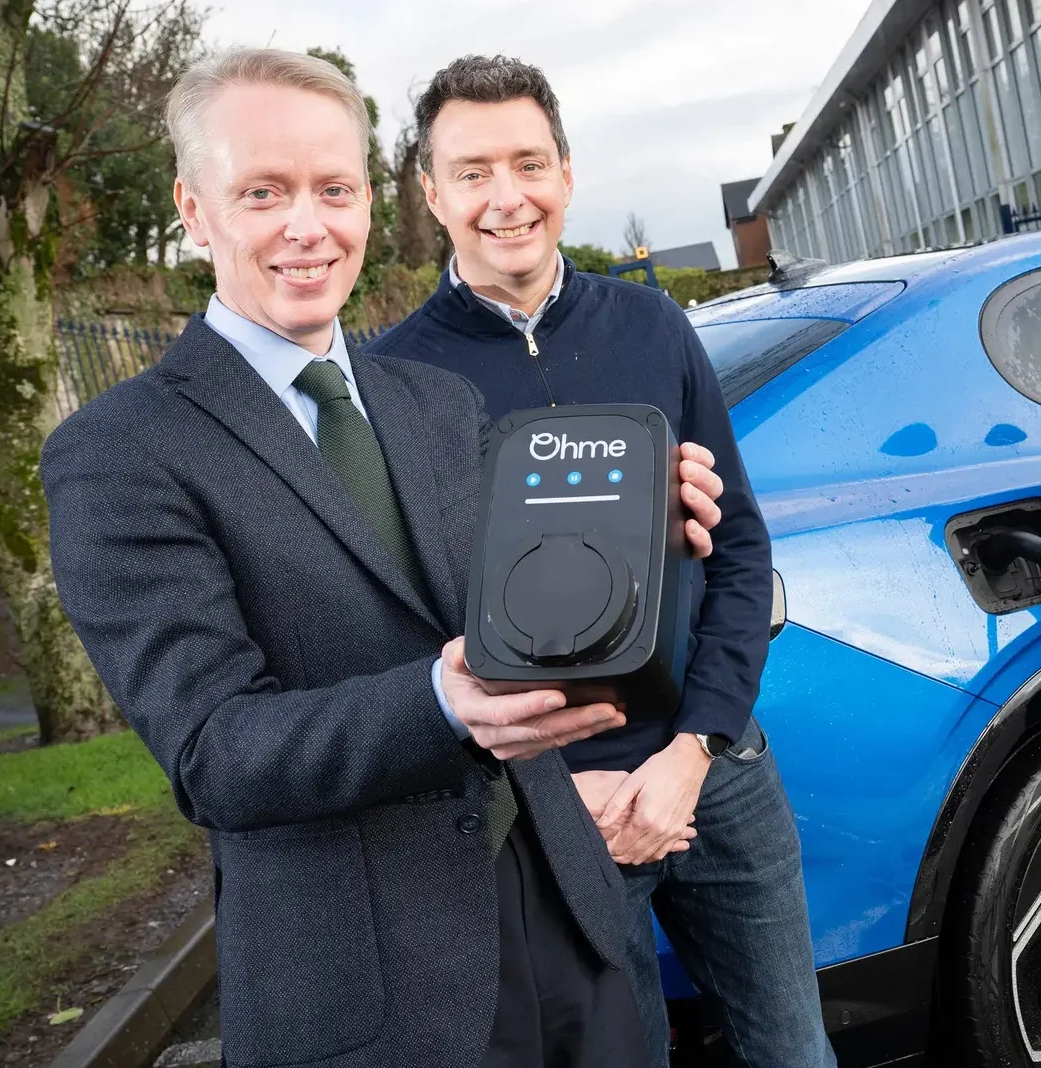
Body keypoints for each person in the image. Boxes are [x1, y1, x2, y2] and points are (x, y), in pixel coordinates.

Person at [39, 48, 726, 1068]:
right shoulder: (119, 452)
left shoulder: (431, 401)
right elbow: (214, 753)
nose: (307, 226)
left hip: (569, 923)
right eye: (262, 192)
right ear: (194, 209)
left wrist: (640, 539)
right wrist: (440, 705)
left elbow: (505, 611)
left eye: (334, 188)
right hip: (377, 991)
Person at [366, 55, 832, 1068]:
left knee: (792, 1051)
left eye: (528, 163)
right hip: (551, 809)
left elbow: (740, 551)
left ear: (566, 176)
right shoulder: (391, 379)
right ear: (431, 193)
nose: (507, 197)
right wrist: (548, 788)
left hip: (716, 772)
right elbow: (411, 621)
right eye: (474, 170)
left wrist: (692, 750)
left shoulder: (652, 327)